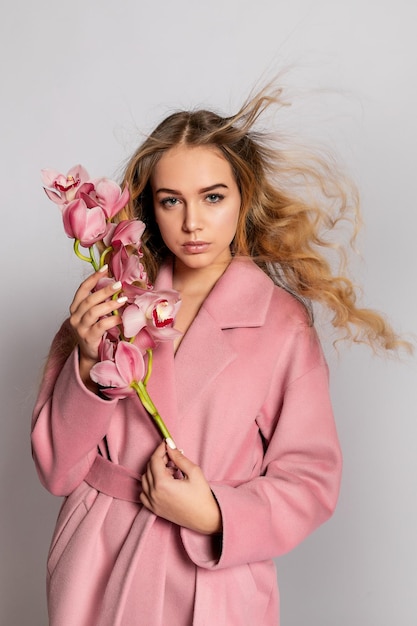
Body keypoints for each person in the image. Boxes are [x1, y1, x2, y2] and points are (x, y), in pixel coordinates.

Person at [31, 86, 407, 626]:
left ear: (243, 196)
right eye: (171, 200)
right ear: (149, 206)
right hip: (100, 563)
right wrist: (88, 362)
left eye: (212, 197)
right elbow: (57, 471)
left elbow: (311, 479)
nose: (191, 223)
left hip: (211, 579)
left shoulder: (282, 326)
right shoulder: (111, 303)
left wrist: (214, 513)